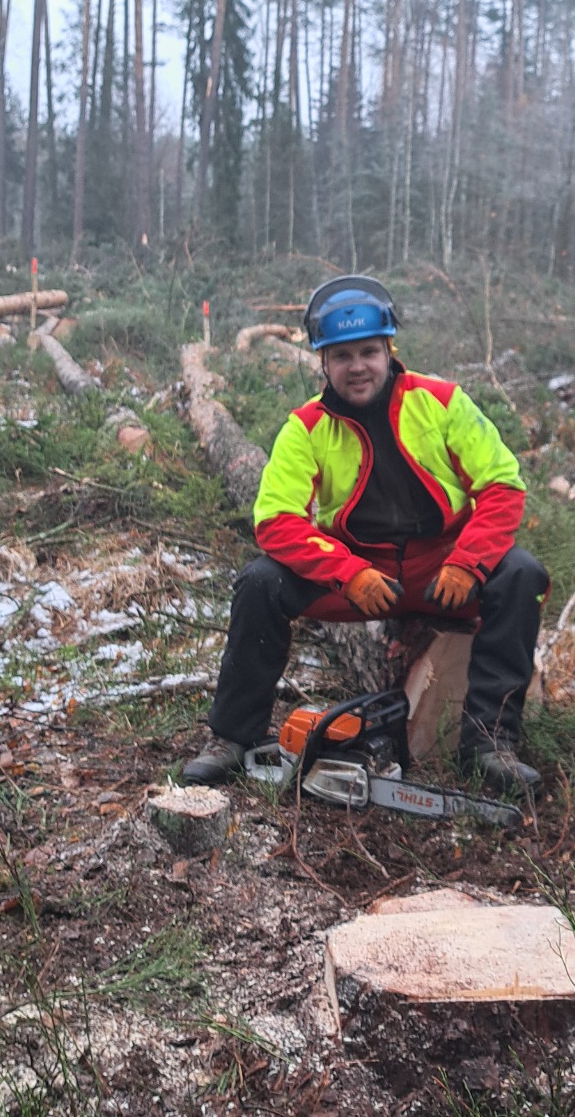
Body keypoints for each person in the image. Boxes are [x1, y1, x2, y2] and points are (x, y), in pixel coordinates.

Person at [183, 276, 548, 795]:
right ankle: (231, 738)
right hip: (358, 576)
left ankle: (490, 743)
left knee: (521, 575)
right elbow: (276, 519)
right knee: (261, 583)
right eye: (342, 356)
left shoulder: (442, 402)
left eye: (369, 352)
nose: (358, 367)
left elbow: (503, 486)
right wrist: (347, 572)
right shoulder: (306, 425)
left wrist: (469, 562)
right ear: (323, 362)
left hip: (441, 569)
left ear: (388, 350)